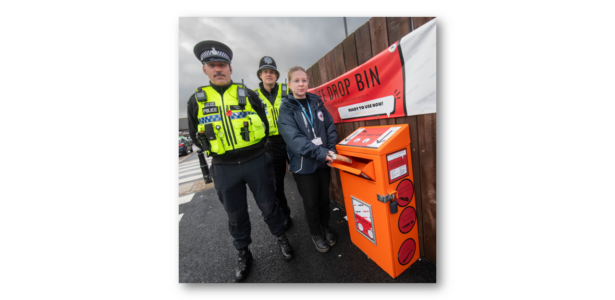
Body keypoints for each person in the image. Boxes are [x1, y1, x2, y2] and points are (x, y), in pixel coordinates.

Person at [186, 40, 294, 282]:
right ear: (205, 69)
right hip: (224, 167)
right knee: (235, 214)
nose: (218, 69)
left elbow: (264, 126)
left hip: (255, 160)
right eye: (212, 65)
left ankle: (281, 237)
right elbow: (195, 134)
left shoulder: (247, 94)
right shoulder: (196, 100)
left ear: (230, 68)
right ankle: (243, 253)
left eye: (222, 65)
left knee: (269, 205)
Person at [277, 66, 339, 253]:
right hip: (303, 165)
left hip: (323, 160)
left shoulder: (317, 103)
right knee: (311, 202)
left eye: (304, 80)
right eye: (296, 81)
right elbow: (295, 140)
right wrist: (323, 153)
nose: (301, 84)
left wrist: (331, 150)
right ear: (289, 84)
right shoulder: (286, 109)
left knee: (324, 199)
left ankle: (325, 227)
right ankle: (316, 233)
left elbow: (329, 127)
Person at [253, 56, 292, 230]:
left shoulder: (288, 90)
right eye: (265, 71)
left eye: (272, 72)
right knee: (276, 186)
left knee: (304, 179)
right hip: (269, 144)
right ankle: (285, 215)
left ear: (276, 75)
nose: (269, 74)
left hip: (291, 140)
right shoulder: (252, 96)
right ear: (260, 75)